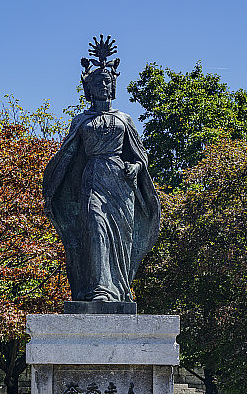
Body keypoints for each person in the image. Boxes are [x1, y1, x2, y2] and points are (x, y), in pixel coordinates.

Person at [43, 36, 160, 303]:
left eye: (107, 81)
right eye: (98, 83)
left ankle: (118, 290)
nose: (103, 86)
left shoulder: (124, 119)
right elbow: (67, 155)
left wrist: (136, 167)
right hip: (93, 179)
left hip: (121, 181)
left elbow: (141, 157)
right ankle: (98, 289)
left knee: (121, 238)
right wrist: (53, 189)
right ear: (89, 89)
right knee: (95, 229)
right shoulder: (81, 120)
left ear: (113, 86)